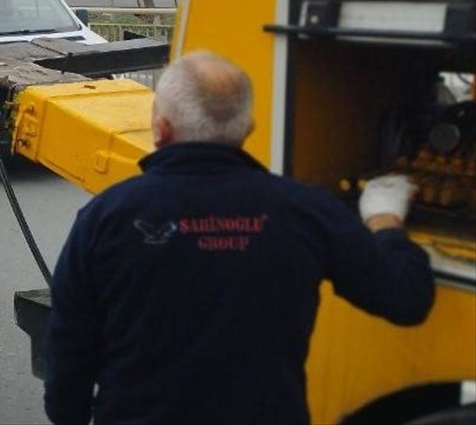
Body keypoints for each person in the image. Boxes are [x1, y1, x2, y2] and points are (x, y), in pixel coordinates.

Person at [44, 51, 435, 425]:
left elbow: (69, 347)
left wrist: (71, 415)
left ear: (160, 129)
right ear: (247, 128)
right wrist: (384, 218)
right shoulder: (305, 211)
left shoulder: (107, 216)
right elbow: (406, 298)